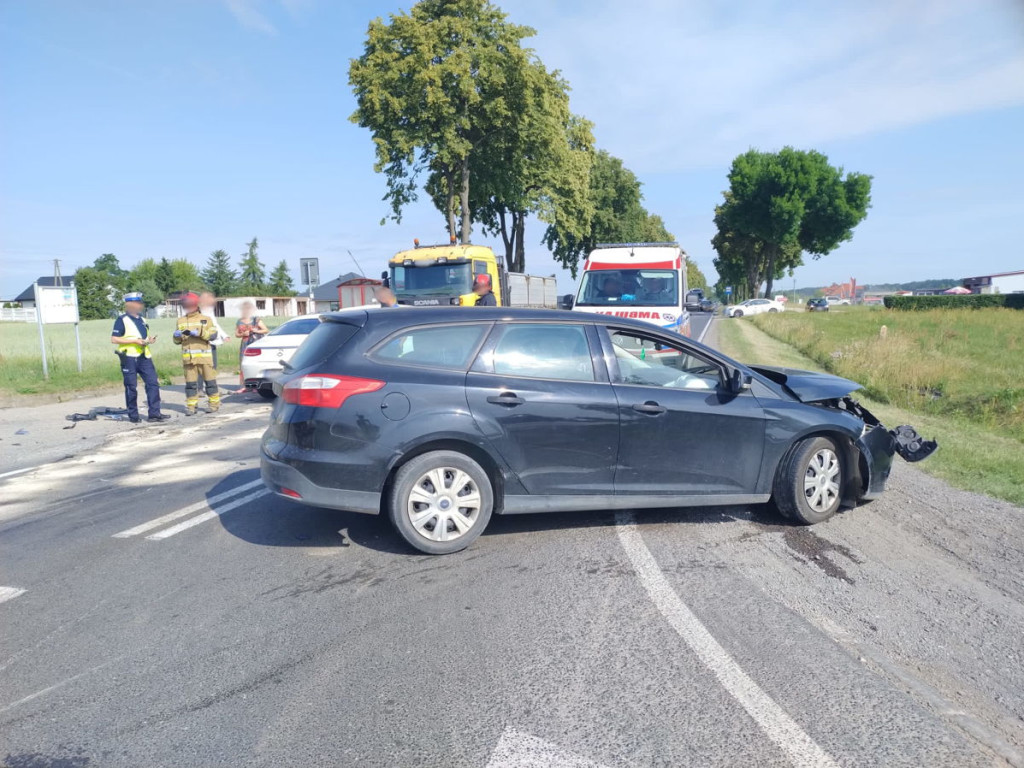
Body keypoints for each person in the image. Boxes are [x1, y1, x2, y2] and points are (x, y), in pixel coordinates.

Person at [110, 292, 170, 424]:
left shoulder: (142, 320)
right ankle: (133, 415)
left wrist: (149, 340)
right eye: (137, 303)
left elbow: (142, 338)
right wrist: (134, 341)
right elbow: (114, 339)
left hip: (144, 356)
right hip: (129, 357)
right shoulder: (122, 320)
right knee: (131, 386)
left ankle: (154, 414)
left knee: (153, 384)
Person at [174, 292, 220, 415]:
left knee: (210, 383)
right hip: (188, 359)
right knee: (190, 385)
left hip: (204, 358)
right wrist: (176, 336)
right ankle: (191, 407)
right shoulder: (181, 321)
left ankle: (214, 404)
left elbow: (213, 335)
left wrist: (199, 333)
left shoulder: (205, 319)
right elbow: (176, 341)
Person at [234, 301, 269, 393]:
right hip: (245, 344)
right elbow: (236, 334)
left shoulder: (256, 320)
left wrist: (256, 331)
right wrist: (243, 334)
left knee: (254, 364)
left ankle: (255, 386)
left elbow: (266, 330)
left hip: (255, 343)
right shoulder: (239, 321)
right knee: (243, 364)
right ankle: (245, 386)